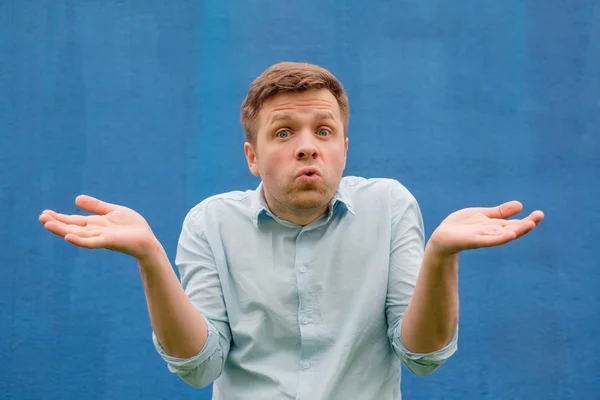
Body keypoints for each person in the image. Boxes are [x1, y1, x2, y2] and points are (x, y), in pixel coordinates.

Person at [39, 62, 544, 399]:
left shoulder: (390, 206)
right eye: (284, 132)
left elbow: (422, 357)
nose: (307, 147)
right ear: (252, 158)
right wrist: (149, 255)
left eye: (323, 131)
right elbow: (201, 367)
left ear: (345, 148)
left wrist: (440, 256)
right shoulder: (209, 222)